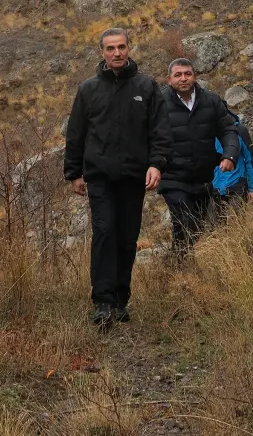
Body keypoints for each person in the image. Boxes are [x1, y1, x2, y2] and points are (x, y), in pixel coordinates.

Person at [64, 27, 171, 327]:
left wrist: (156, 164)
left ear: (129, 48)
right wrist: (74, 173)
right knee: (104, 232)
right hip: (100, 177)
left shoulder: (147, 87)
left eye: (121, 47)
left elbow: (160, 131)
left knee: (127, 238)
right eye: (110, 48)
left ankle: (121, 300)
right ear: (102, 52)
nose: (117, 53)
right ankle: (102, 302)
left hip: (134, 177)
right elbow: (76, 134)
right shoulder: (88, 89)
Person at [158, 58, 239, 255]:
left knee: (195, 228)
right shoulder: (158, 104)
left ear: (194, 76)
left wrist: (229, 155)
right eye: (178, 75)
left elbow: (228, 129)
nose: (183, 78)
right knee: (185, 219)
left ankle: (178, 262)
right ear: (169, 79)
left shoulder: (211, 101)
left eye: (188, 74)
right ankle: (182, 262)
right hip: (172, 177)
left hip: (203, 177)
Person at [212, 110, 253, 217]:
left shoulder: (240, 130)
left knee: (237, 222)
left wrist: (252, 188)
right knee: (216, 226)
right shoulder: (207, 133)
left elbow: (250, 160)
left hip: (237, 186)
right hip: (215, 189)